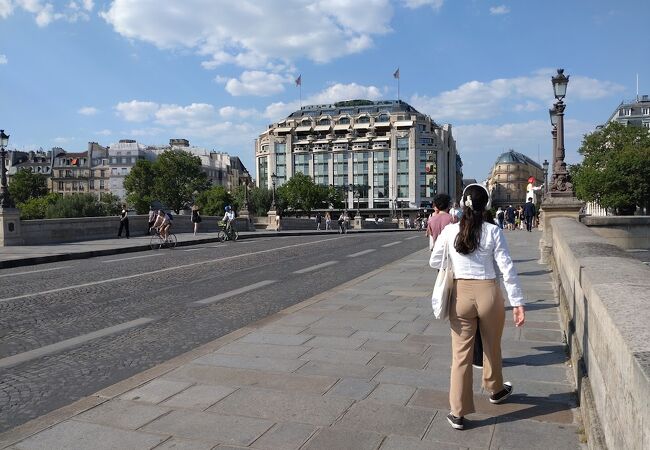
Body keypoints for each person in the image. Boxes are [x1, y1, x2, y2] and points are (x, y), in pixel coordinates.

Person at [429, 183, 525, 431]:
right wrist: (517, 302)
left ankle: (458, 412)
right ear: (487, 206)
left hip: (460, 295)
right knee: (492, 347)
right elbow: (507, 268)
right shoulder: (494, 231)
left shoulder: (450, 231)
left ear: (462, 204)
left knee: (461, 356)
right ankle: (495, 389)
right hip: (489, 293)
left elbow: (434, 261)